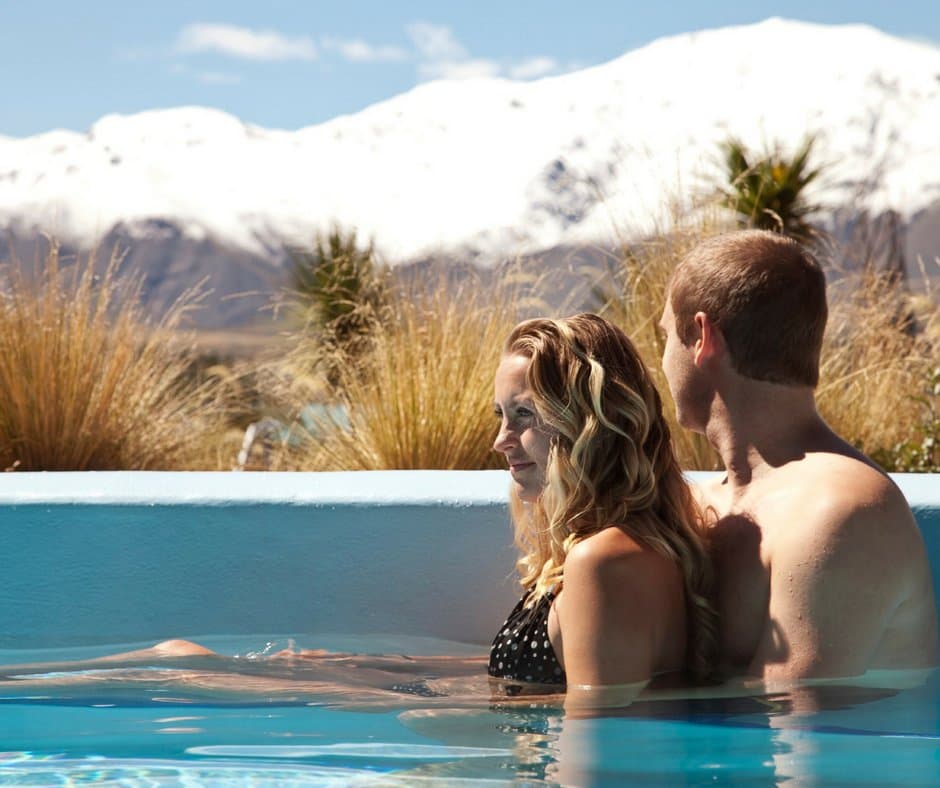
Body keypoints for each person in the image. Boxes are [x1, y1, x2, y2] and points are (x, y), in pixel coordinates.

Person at [659, 229, 939, 682]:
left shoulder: (840, 510)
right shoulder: (703, 502)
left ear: (703, 340)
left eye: (667, 336)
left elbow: (796, 721)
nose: (662, 361)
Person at [489, 313, 717, 709]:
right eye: (501, 416)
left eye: (523, 414)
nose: (500, 441)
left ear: (586, 422)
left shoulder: (604, 562)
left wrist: (452, 715)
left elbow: (604, 743)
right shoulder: (605, 547)